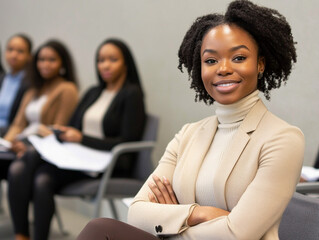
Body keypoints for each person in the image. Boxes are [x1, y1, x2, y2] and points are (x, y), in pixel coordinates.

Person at [76, 1, 305, 240]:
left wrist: (171, 219)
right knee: (100, 228)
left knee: (101, 231)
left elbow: (237, 234)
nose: (223, 68)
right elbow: (136, 212)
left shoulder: (282, 139)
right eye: (211, 60)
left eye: (238, 57)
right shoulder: (188, 134)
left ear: (260, 64)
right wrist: (198, 213)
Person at [8, 38, 146, 240]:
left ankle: (22, 234)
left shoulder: (131, 94)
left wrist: (82, 139)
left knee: (27, 164)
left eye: (112, 59)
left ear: (126, 63)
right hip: (79, 159)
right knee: (40, 177)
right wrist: (62, 132)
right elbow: (73, 127)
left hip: (108, 163)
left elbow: (126, 140)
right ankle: (23, 236)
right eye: (100, 60)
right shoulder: (93, 92)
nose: (105, 65)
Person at [0, 39, 79, 180]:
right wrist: (8, 143)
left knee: (17, 170)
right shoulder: (33, 90)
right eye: (41, 60)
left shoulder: (67, 89)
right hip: (23, 145)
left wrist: (25, 143)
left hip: (43, 149)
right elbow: (18, 124)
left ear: (62, 63)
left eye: (51, 60)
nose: (45, 64)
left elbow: (56, 130)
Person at [0, 34, 32, 137]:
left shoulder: (31, 83)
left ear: (29, 56)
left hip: (10, 133)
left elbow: (20, 122)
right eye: (10, 49)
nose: (14, 55)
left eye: (20, 51)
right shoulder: (2, 78)